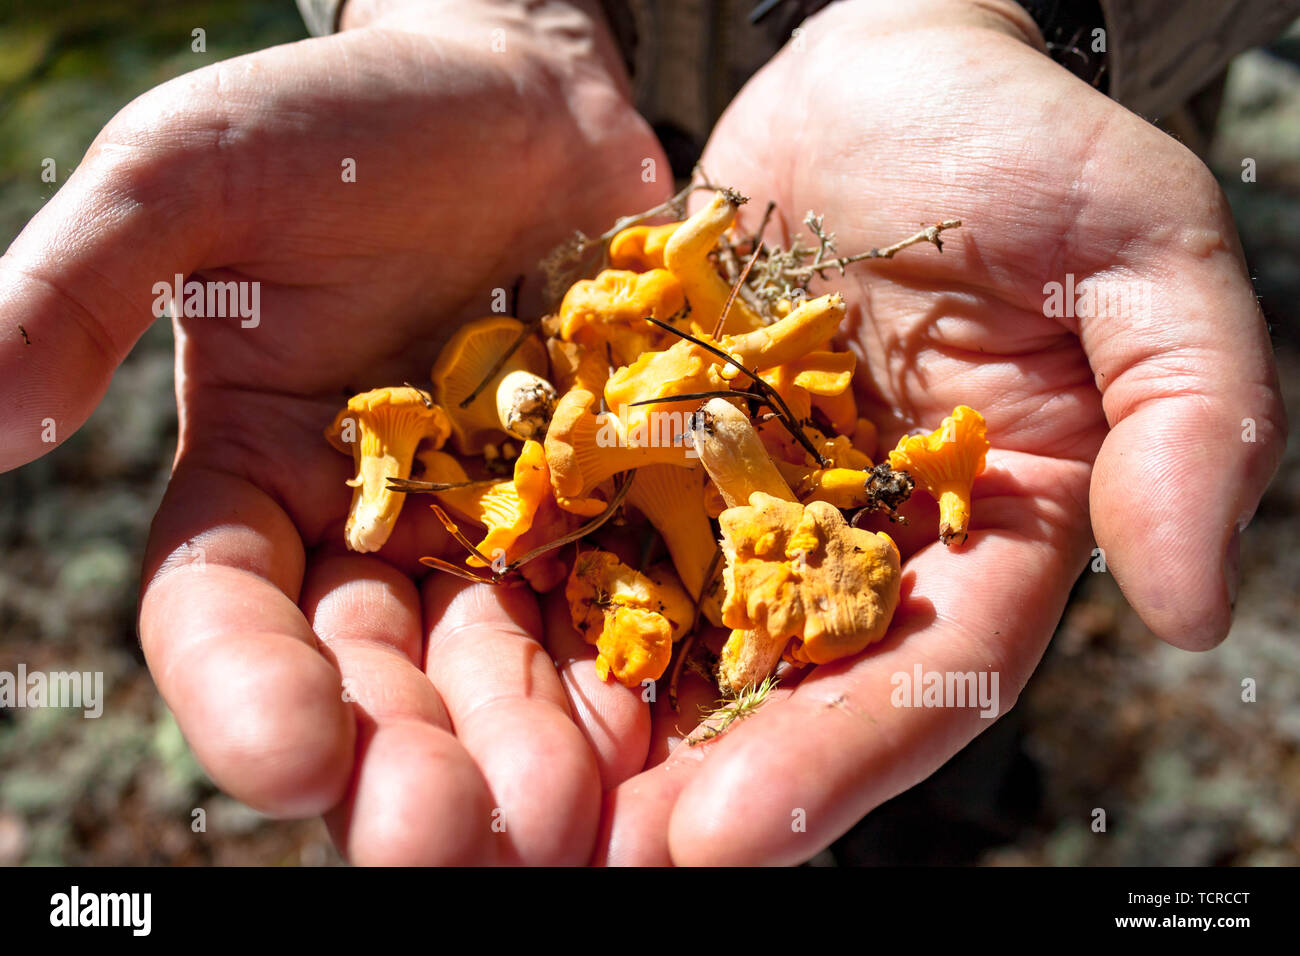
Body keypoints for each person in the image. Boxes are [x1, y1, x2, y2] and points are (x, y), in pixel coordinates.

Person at [0, 0, 1291, 865]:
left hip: (940, 304)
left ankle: (942, 825)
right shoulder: (605, 417)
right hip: (653, 290)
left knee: (927, 727)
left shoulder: (756, 445)